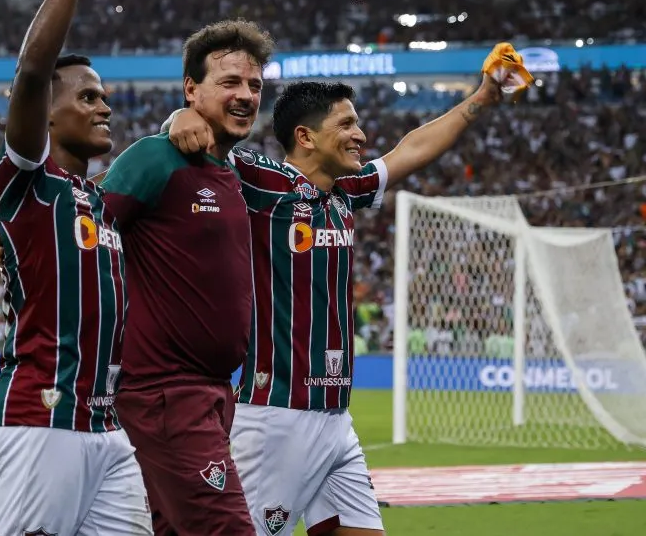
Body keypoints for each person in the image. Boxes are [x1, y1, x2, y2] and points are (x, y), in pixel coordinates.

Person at [166, 44, 523, 535]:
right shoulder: (260, 182)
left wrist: (482, 96)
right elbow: (204, 137)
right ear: (305, 136)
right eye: (347, 125)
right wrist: (180, 114)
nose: (360, 136)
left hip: (336, 419)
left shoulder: (345, 194)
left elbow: (410, 151)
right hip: (276, 417)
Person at [0, 0, 152, 535]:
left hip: (105, 424)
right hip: (39, 416)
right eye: (88, 96)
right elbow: (32, 68)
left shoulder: (102, 201)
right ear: (49, 112)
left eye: (106, 96)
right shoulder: (30, 179)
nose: (104, 105)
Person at [98, 19, 274, 535]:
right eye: (230, 83)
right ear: (191, 89)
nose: (245, 95)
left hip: (213, 396)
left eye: (255, 85)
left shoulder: (232, 171)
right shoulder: (157, 157)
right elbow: (80, 228)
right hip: (166, 396)